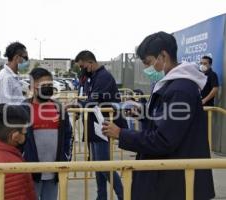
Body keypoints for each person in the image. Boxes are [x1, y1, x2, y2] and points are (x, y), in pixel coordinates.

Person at [102, 31, 215, 200]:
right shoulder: (172, 84)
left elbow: (163, 139)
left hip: (175, 184)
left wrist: (121, 134)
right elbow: (166, 120)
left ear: (163, 55)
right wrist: (142, 112)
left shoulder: (180, 89)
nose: (148, 69)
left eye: (148, 63)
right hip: (170, 178)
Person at [74, 50, 126, 200]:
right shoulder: (93, 77)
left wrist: (78, 105)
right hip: (96, 124)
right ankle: (101, 196)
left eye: (83, 66)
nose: (82, 70)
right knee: (98, 165)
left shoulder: (103, 77)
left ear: (90, 63)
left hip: (104, 125)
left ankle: (123, 194)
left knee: (103, 165)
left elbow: (93, 100)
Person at [23, 67, 73, 200]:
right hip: (30, 173)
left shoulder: (59, 109)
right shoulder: (23, 109)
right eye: (44, 85)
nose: (48, 88)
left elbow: (68, 135)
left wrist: (66, 157)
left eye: (50, 85)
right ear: (33, 87)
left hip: (54, 171)